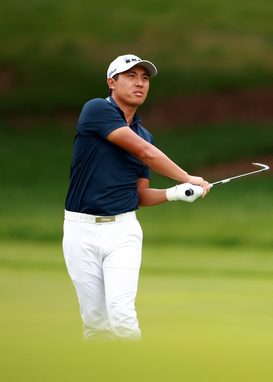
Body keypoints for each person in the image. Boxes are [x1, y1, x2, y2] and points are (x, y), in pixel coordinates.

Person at [62, 54, 210, 341]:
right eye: (130, 76)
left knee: (122, 315)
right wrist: (187, 177)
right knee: (95, 321)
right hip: (80, 228)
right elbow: (144, 153)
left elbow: (139, 195)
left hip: (123, 231)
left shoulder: (145, 135)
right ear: (111, 82)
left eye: (144, 78)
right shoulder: (95, 110)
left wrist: (175, 193)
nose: (139, 83)